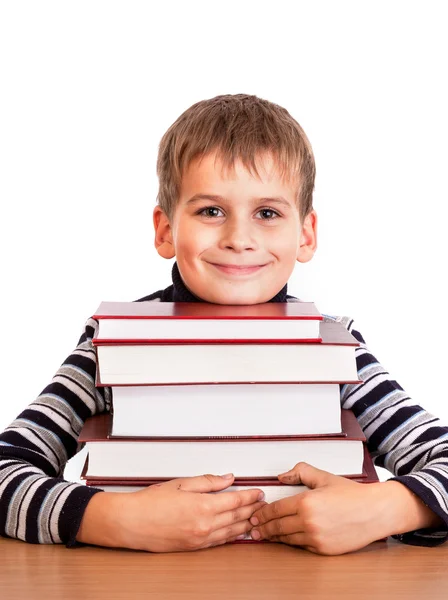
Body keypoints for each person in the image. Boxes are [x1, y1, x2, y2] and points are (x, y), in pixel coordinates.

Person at [1, 94, 447, 556]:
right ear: (165, 231)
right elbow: (5, 469)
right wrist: (114, 519)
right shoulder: (113, 346)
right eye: (210, 211)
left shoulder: (335, 350)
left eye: (267, 213)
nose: (239, 239)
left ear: (306, 234)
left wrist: (385, 508)